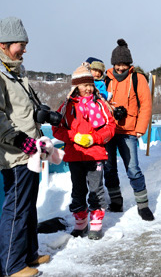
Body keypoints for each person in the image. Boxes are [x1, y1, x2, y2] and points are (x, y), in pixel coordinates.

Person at [0, 17, 50, 276]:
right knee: (16, 207)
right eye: (20, 44)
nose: (24, 49)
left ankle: (29, 254)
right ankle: (11, 266)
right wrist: (19, 139)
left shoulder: (13, 69)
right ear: (3, 43)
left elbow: (22, 106)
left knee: (28, 204)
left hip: (29, 148)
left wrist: (42, 114)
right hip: (14, 150)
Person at [52, 63, 115, 240]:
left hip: (95, 155)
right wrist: (74, 136)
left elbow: (111, 126)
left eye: (90, 84)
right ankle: (80, 223)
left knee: (96, 190)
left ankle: (96, 223)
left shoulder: (101, 104)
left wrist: (94, 138)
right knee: (78, 190)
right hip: (74, 156)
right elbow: (57, 128)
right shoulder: (66, 106)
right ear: (75, 86)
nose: (87, 88)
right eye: (83, 85)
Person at [104, 39, 154, 221]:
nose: (120, 68)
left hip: (129, 132)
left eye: (123, 64)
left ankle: (143, 206)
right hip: (109, 131)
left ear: (129, 63)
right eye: (117, 64)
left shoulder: (137, 78)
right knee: (109, 169)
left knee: (133, 169)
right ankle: (116, 202)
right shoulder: (106, 78)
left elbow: (146, 106)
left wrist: (140, 128)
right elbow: (100, 102)